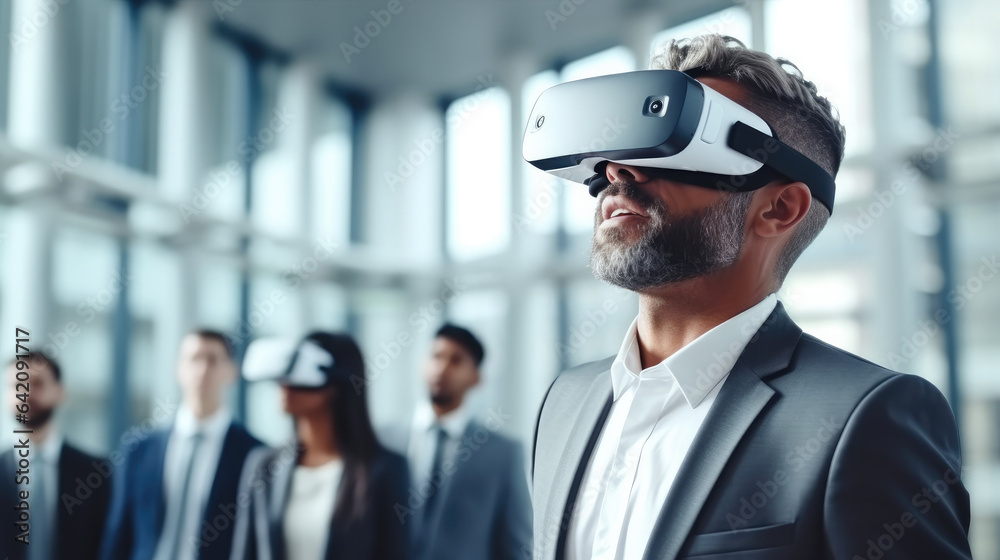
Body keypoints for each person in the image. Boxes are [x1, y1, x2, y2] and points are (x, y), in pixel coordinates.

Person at [530, 35, 972, 559]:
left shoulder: (866, 418)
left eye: (671, 145)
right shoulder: (565, 400)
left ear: (780, 208)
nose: (617, 172)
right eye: (617, 151)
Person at [229, 331, 411, 560]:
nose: (286, 385)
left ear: (337, 385)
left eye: (299, 376)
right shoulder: (264, 465)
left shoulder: (385, 470)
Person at [100, 329, 262, 560]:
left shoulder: (252, 454)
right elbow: (118, 534)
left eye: (213, 360)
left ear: (232, 372)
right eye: (194, 359)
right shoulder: (139, 448)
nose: (202, 370)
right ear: (179, 369)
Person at [380, 324, 532, 560]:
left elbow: (516, 544)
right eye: (436, 356)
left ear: (476, 378)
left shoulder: (502, 454)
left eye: (456, 361)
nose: (442, 368)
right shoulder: (385, 439)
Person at [1, 351, 111, 560]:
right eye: (18, 385)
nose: (26, 394)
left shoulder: (97, 474)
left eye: (38, 383)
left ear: (60, 393)